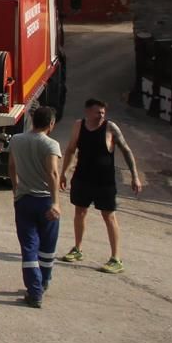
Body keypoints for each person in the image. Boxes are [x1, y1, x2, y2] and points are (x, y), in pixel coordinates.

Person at [60, 97, 145, 273]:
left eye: (103, 112)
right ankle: (77, 249)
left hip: (104, 181)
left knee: (109, 216)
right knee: (80, 212)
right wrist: (64, 173)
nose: (101, 115)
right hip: (82, 178)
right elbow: (70, 150)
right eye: (98, 112)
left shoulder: (110, 128)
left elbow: (127, 151)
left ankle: (116, 258)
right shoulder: (79, 126)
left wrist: (135, 176)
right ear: (88, 112)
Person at [6, 105, 65, 308]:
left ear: (32, 121)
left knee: (29, 247)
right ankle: (43, 282)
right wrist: (56, 202)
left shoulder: (17, 140)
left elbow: (12, 167)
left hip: (24, 200)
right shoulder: (51, 145)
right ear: (51, 124)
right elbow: (53, 174)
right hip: (45, 201)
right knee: (47, 248)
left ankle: (34, 291)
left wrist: (16, 190)